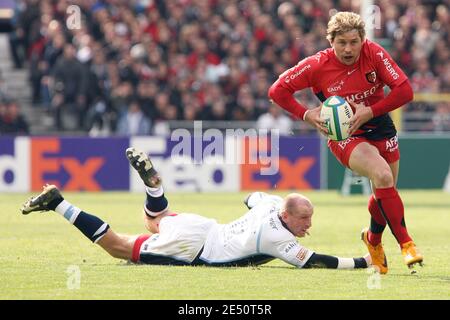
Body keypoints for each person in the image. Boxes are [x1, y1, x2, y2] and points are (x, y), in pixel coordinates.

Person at [21, 147, 370, 270]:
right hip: (196, 247)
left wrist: (263, 203)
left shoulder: (270, 206)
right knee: (118, 246)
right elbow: (314, 262)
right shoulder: (275, 237)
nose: (308, 227)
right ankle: (58, 202)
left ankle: (154, 188)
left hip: (204, 227)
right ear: (287, 216)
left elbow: (251, 197)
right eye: (304, 220)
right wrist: (362, 261)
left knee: (155, 219)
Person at [268, 11, 423, 274]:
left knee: (385, 192)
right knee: (382, 175)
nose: (348, 49)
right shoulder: (317, 64)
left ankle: (372, 240)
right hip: (345, 134)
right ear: (331, 42)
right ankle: (407, 244)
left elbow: (405, 91)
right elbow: (277, 91)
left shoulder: (373, 53)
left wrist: (370, 111)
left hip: (380, 125)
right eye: (342, 43)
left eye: (354, 42)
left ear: (363, 39)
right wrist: (306, 114)